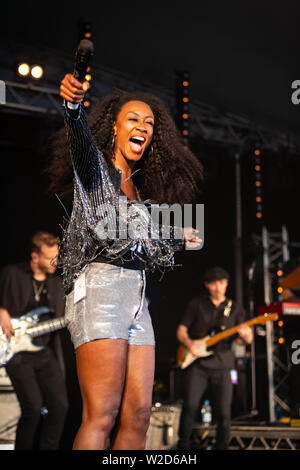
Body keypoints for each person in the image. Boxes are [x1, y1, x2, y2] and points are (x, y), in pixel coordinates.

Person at [47, 73, 204, 450]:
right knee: (102, 413)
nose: (143, 127)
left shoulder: (143, 189)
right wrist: (72, 109)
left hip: (138, 298)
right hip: (99, 291)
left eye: (150, 123)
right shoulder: (96, 172)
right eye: (133, 119)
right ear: (114, 128)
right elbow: (81, 143)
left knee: (138, 415)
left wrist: (176, 234)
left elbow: (135, 236)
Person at [0, 231, 68, 450]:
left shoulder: (57, 284)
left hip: (45, 353)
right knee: (33, 407)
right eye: (50, 258)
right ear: (35, 256)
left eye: (56, 256)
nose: (55, 262)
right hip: (17, 354)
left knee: (60, 407)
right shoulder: (12, 274)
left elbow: (64, 317)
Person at [176, 266, 253, 450]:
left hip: (223, 363)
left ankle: (221, 447)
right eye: (213, 283)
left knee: (225, 413)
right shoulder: (197, 304)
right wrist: (190, 344)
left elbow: (242, 342)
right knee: (190, 406)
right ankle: (183, 448)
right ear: (207, 285)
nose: (218, 287)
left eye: (221, 282)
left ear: (226, 284)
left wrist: (246, 337)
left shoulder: (235, 309)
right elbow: (181, 330)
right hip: (198, 364)